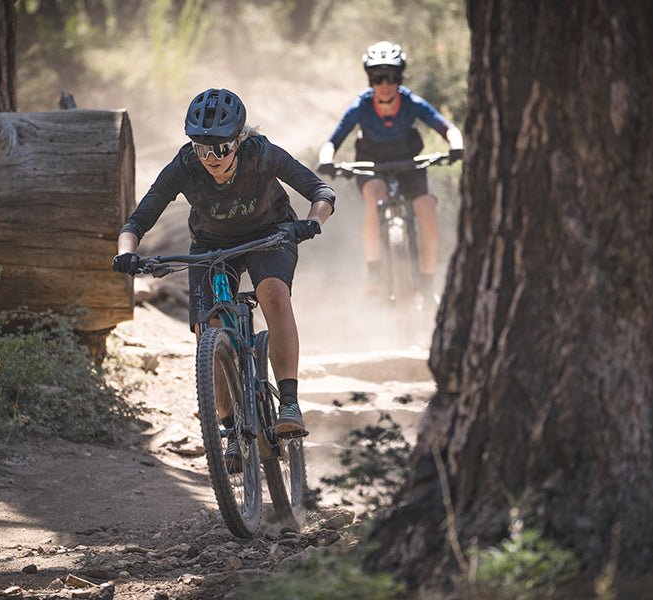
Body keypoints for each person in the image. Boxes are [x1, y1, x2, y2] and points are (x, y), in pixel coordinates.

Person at [113, 88, 335, 463]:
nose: (210, 158)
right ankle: (230, 429)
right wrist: (125, 253)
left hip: (272, 235)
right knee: (209, 331)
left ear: (240, 140)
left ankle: (289, 404)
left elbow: (321, 190)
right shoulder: (184, 166)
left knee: (274, 293)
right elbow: (136, 221)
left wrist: (311, 222)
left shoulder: (262, 155)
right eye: (201, 148)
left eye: (221, 148)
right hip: (211, 246)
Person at [317, 41, 463, 306]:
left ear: (400, 78)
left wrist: (456, 146)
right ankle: (375, 274)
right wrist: (326, 159)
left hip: (409, 165)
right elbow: (332, 142)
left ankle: (428, 285)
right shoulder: (361, 106)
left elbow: (447, 128)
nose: (385, 84)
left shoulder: (411, 103)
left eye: (392, 76)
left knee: (428, 212)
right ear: (370, 79)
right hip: (372, 166)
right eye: (377, 77)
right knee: (376, 196)